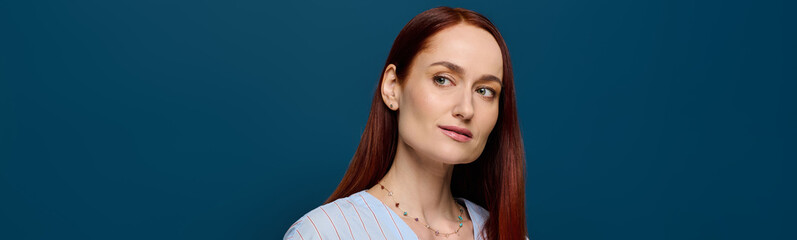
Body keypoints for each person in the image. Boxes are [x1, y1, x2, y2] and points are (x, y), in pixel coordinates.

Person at [284, 6, 527, 240]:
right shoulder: (324, 233)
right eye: (442, 79)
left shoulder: (506, 234)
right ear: (392, 88)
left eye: (485, 90)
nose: (466, 109)